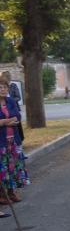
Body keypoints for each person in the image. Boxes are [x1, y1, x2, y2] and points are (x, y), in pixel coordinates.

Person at [0, 76, 28, 210]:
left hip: (13, 140)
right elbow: (11, 119)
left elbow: (18, 116)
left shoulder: (11, 101)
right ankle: (2, 194)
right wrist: (6, 121)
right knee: (3, 169)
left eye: (5, 87)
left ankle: (11, 192)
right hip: (1, 142)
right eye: (0, 87)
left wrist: (3, 122)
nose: (3, 89)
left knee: (13, 168)